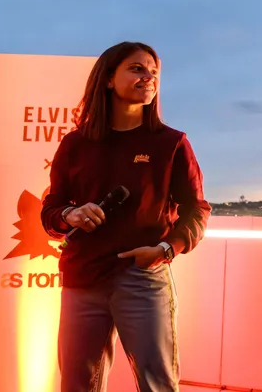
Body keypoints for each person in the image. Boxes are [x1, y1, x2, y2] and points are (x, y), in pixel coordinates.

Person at [41, 42, 211, 392]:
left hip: (143, 277)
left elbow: (197, 210)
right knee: (77, 385)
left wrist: (166, 249)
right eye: (137, 68)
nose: (149, 77)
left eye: (154, 72)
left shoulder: (171, 143)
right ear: (108, 78)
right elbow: (51, 210)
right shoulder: (75, 144)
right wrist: (71, 214)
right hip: (82, 278)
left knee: (157, 384)